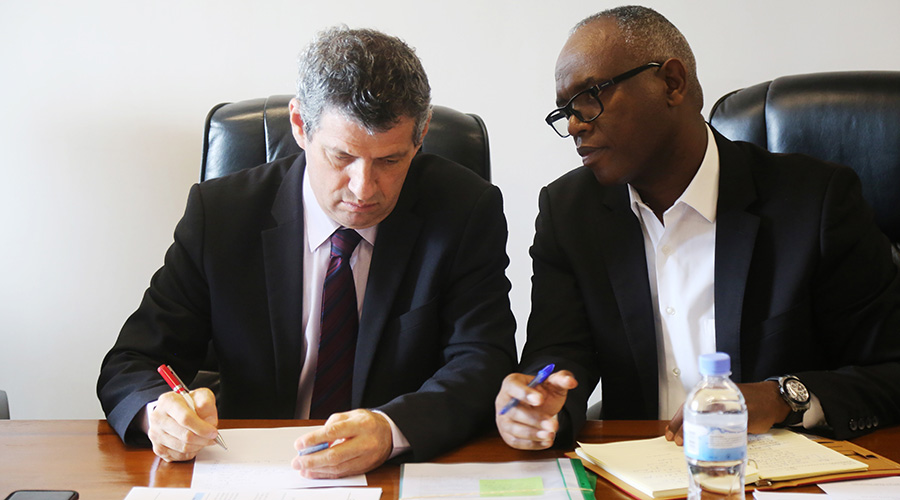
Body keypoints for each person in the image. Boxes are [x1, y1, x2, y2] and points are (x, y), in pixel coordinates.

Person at [98, 26, 517, 478]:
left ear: (422, 135)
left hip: (396, 474)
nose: (364, 188)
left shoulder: (464, 210)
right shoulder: (221, 215)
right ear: (300, 125)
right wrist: (156, 414)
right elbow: (131, 362)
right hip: (254, 474)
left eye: (391, 160)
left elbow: (483, 361)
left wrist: (392, 428)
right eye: (342, 156)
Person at [496, 5, 900, 451]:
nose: (574, 124)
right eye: (565, 111)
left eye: (589, 97)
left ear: (671, 82)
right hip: (636, 476)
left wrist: (782, 396)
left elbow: (890, 368)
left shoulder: (815, 202)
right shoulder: (569, 211)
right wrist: (539, 404)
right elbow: (558, 353)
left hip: (780, 474)